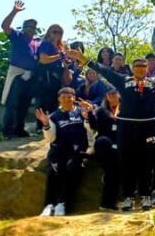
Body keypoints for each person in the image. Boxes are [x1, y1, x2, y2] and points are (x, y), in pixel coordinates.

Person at [67, 48, 155, 212]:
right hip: (126, 128)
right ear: (132, 68)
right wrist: (81, 57)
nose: (140, 69)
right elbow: (102, 69)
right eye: (137, 66)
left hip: (148, 127)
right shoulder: (123, 80)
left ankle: (146, 195)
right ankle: (128, 197)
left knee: (147, 163)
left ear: (147, 68)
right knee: (128, 163)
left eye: (143, 66)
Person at [36, 88, 92, 217]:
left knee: (71, 169)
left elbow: (90, 131)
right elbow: (51, 138)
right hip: (59, 150)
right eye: (64, 97)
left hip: (77, 150)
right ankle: (49, 204)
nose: (67, 100)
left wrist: (88, 118)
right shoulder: (54, 116)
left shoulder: (81, 112)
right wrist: (46, 124)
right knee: (53, 171)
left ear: (74, 98)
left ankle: (62, 203)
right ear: (59, 99)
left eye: (69, 97)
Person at [0, 0, 39, 139]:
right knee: (12, 103)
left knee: (24, 105)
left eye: (33, 27)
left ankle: (19, 129)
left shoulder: (37, 43)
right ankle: (7, 131)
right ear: (23, 27)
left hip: (30, 77)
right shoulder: (17, 36)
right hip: (17, 74)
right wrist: (14, 11)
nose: (31, 29)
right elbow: (5, 26)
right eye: (28, 26)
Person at [88, 88, 121, 210]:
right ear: (106, 97)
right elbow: (94, 125)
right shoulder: (101, 111)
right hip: (105, 146)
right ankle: (107, 203)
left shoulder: (125, 109)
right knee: (111, 173)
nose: (112, 96)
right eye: (109, 94)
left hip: (120, 144)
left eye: (114, 94)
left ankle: (109, 203)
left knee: (114, 174)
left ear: (119, 95)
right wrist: (90, 113)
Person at [36, 24, 69, 120]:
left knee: (54, 102)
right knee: (44, 102)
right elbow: (43, 59)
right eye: (54, 32)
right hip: (45, 77)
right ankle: (41, 125)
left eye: (59, 32)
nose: (57, 35)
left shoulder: (59, 47)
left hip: (56, 79)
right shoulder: (46, 44)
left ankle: (52, 124)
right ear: (49, 33)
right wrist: (60, 55)